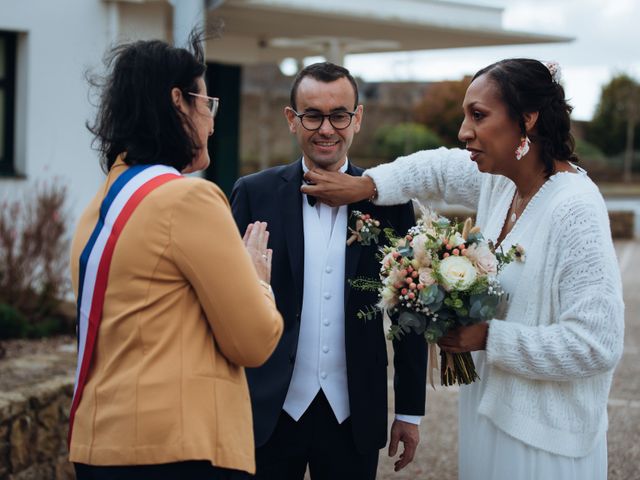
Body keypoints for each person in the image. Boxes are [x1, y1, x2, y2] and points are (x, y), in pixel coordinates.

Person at [301, 58, 625, 480]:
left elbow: (597, 344)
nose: (463, 131)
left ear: (526, 121)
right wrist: (368, 185)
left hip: (546, 441)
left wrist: (489, 337)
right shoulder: (501, 180)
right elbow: (433, 169)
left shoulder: (576, 209)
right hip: (487, 420)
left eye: (478, 115)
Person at [68, 33, 283, 480]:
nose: (210, 123)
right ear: (178, 102)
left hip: (100, 446)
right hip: (177, 450)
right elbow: (253, 341)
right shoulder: (189, 200)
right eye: (207, 104)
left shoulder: (97, 208)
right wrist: (257, 277)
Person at [230, 62, 427, 480]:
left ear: (357, 118)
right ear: (291, 119)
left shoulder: (390, 203)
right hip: (267, 410)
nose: (326, 129)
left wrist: (409, 410)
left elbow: (410, 312)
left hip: (353, 412)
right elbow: (225, 305)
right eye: (312, 115)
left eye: (339, 115)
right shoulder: (253, 193)